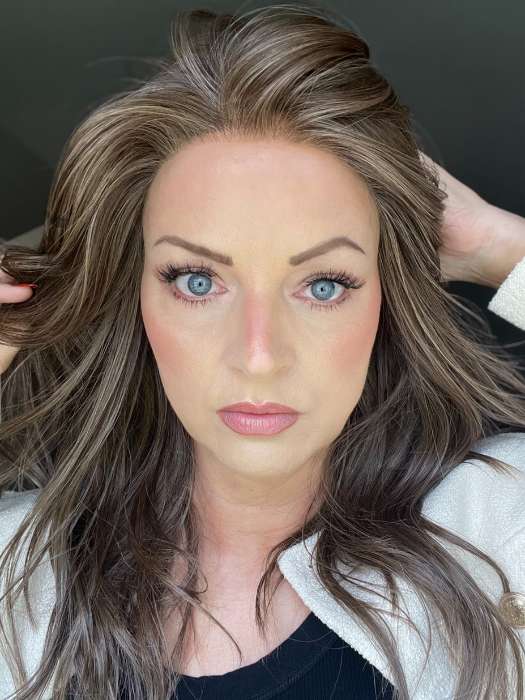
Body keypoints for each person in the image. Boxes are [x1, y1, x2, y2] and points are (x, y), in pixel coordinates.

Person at [0, 4, 524, 699]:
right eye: (196, 281)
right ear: (136, 299)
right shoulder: (18, 571)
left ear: (384, 299)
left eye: (324, 285)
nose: (258, 356)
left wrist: (496, 247)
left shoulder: (499, 526)